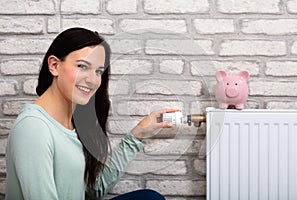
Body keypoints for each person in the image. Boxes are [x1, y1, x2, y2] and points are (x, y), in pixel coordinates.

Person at [5, 27, 179, 200]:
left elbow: (95, 188)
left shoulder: (71, 123)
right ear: (54, 65)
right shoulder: (34, 128)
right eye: (82, 66)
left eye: (98, 71)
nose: (92, 80)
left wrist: (138, 134)